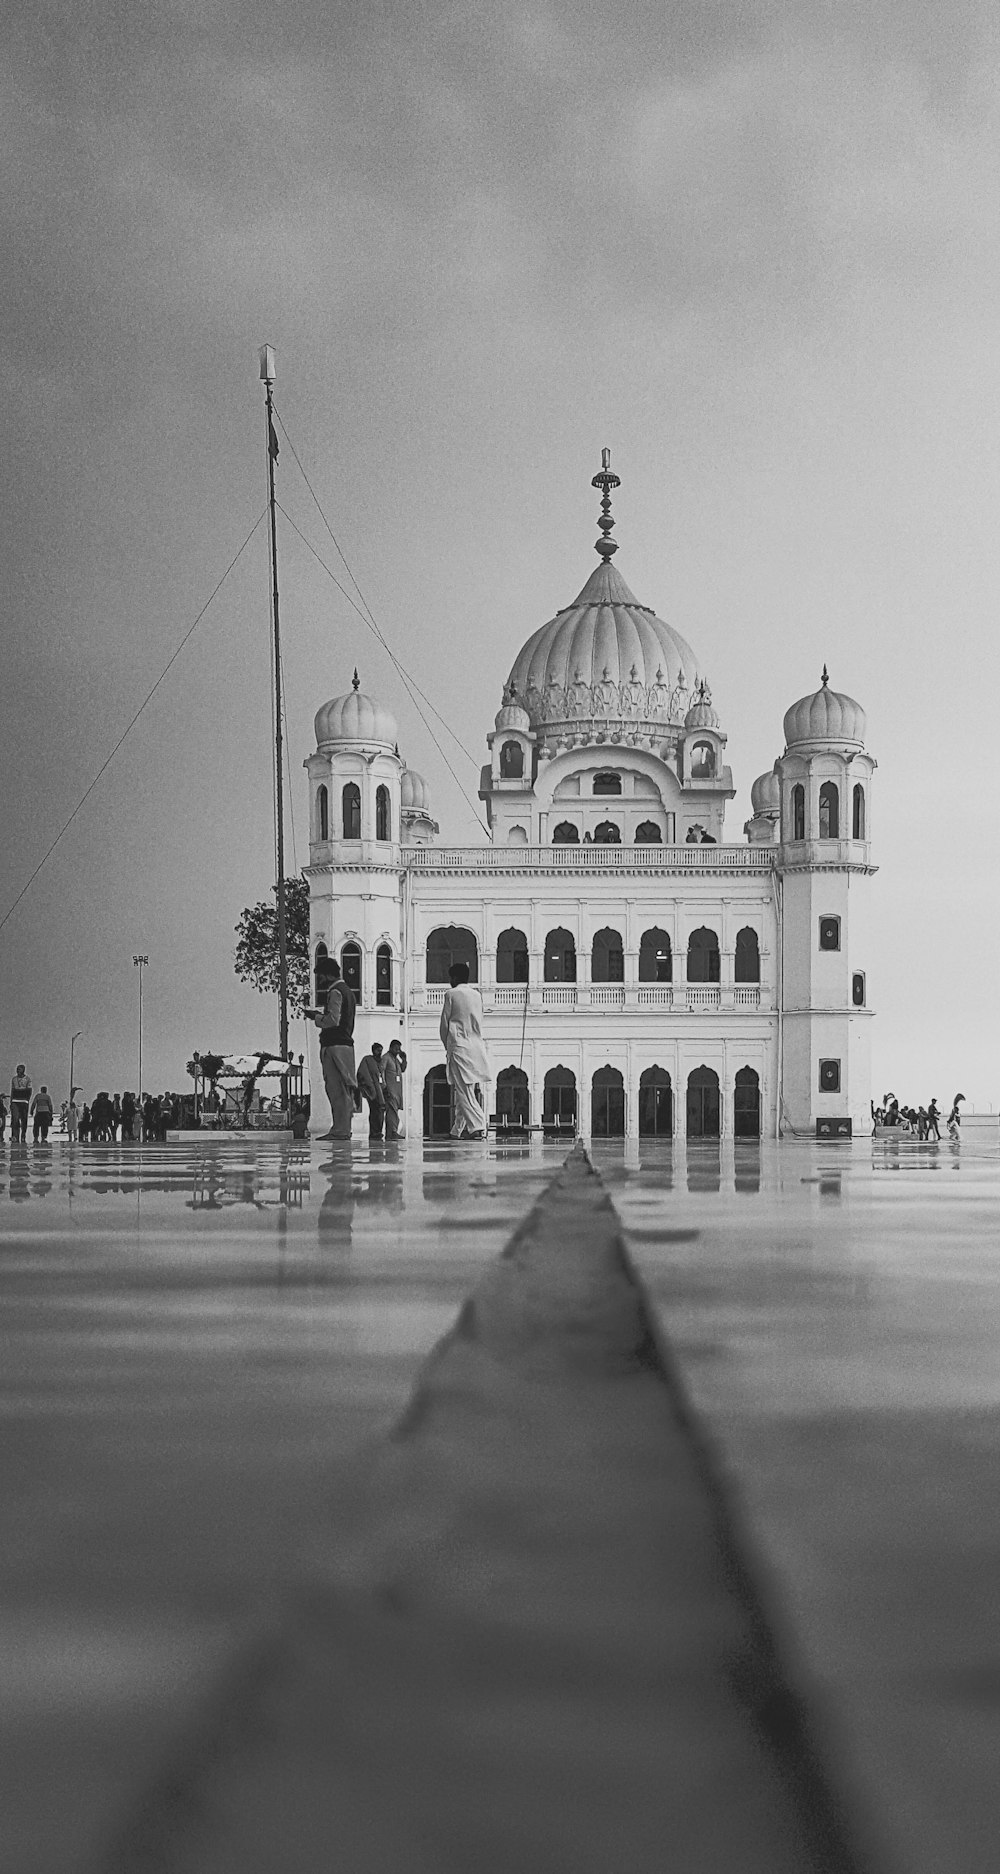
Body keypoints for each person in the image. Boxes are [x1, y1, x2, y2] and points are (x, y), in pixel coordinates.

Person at [306, 960, 358, 1140]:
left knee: (336, 1089)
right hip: (345, 1045)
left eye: (320, 976)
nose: (320, 980)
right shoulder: (349, 992)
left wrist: (317, 1017)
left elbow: (333, 1020)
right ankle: (343, 1128)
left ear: (327, 974)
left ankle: (340, 1130)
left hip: (335, 1045)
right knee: (345, 1088)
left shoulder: (335, 992)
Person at [439, 961, 490, 1139]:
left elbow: (445, 1024)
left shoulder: (451, 994)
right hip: (476, 1046)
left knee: (463, 1090)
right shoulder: (477, 995)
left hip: (459, 1045)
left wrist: (448, 1047)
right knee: (467, 1088)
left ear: (455, 977)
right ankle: (457, 1129)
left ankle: (478, 1125)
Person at [356, 1043, 387, 1139]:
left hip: (381, 1092)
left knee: (380, 1112)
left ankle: (379, 1131)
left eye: (381, 1050)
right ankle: (374, 1132)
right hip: (372, 1092)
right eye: (378, 1050)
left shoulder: (380, 1062)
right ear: (373, 1050)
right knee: (374, 1112)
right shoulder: (367, 1060)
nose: (380, 1052)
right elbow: (362, 1073)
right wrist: (370, 1087)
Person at [384, 1039, 406, 1140]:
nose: (398, 1051)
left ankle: (392, 1132)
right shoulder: (386, 1058)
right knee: (391, 1112)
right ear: (391, 1047)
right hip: (390, 1090)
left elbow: (403, 1069)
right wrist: (384, 1087)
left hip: (397, 1092)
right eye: (396, 1048)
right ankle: (392, 1132)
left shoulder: (395, 1059)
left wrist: (404, 1059)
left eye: (399, 1049)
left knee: (394, 1112)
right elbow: (381, 1071)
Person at [9, 1065, 31, 1144]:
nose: (18, 1070)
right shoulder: (14, 1079)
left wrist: (27, 1100)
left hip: (24, 1101)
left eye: (19, 1069)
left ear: (23, 1070)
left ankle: (23, 1135)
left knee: (24, 1119)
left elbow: (29, 1091)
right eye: (17, 1069)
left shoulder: (27, 1079)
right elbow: (12, 1090)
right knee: (15, 1119)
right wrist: (11, 1102)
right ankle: (15, 1136)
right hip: (15, 1101)